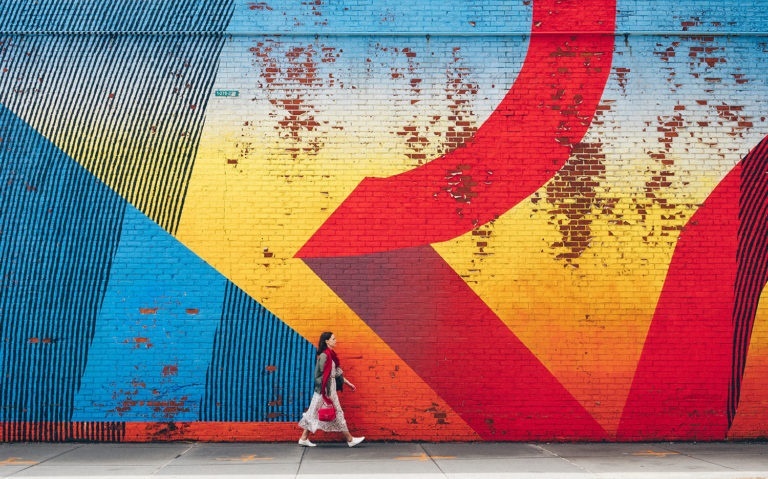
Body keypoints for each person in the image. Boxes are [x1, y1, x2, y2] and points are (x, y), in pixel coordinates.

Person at [298, 332, 365, 447]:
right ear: (327, 341)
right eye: (333, 339)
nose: (336, 340)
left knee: (313, 412)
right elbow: (321, 374)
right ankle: (350, 439)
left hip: (328, 389)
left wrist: (348, 383)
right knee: (333, 412)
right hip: (325, 390)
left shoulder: (331, 355)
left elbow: (336, 373)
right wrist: (326, 391)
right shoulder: (325, 355)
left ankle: (304, 438)